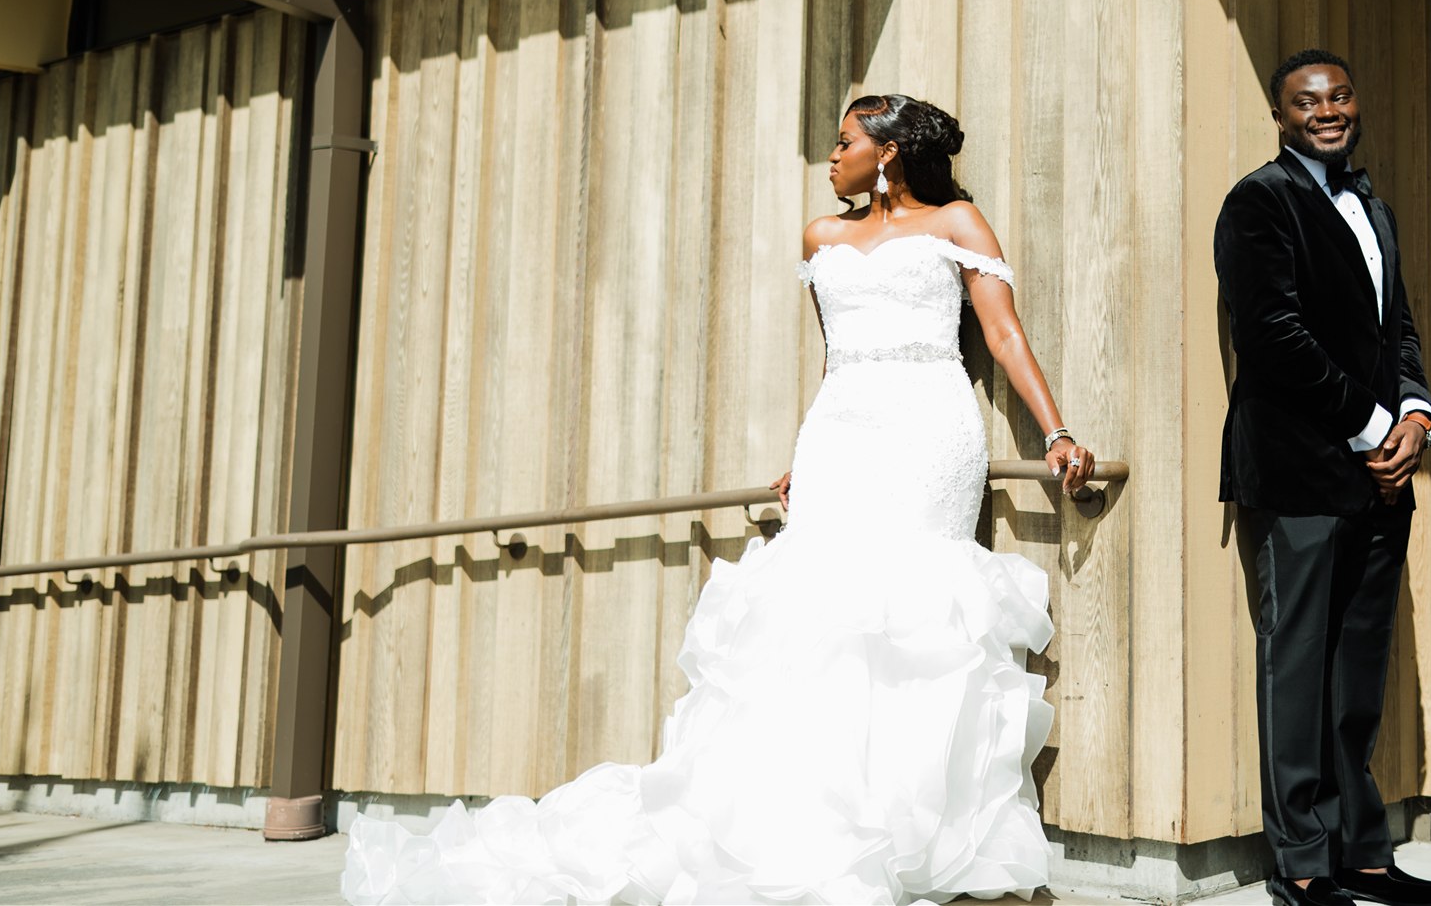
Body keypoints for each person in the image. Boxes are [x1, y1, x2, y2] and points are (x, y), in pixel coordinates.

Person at [341, 93, 1095, 905]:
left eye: (844, 143)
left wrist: (1053, 431)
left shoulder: (957, 225)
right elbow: (837, 360)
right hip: (840, 438)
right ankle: (806, 823)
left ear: (887, 152)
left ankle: (911, 827)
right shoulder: (822, 237)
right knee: (816, 620)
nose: (830, 157)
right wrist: (806, 451)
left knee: (914, 615)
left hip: (928, 432)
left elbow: (1003, 333)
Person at [1213, 50, 1431, 906]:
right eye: (1307, 100)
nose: (1328, 109)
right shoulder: (1258, 201)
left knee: (1358, 673)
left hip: (1385, 475)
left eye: (1340, 93)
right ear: (1281, 116)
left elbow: (1402, 332)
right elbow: (1272, 335)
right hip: (1298, 472)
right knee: (1298, 669)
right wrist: (1370, 422)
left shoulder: (1376, 204)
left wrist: (1418, 414)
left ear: (1357, 101)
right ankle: (1304, 866)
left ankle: (1365, 854)